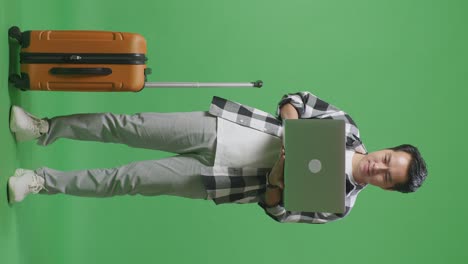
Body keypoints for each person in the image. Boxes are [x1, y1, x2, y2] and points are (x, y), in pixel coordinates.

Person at [7, 92, 428, 224]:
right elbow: (296, 99)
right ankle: (43, 128)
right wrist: (292, 129)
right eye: (388, 158)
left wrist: (280, 173)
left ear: (385, 187)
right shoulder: (348, 127)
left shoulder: (341, 205)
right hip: (223, 128)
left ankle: (42, 182)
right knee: (129, 124)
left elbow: (278, 210)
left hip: (220, 179)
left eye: (387, 176)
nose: (379, 167)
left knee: (128, 179)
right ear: (386, 149)